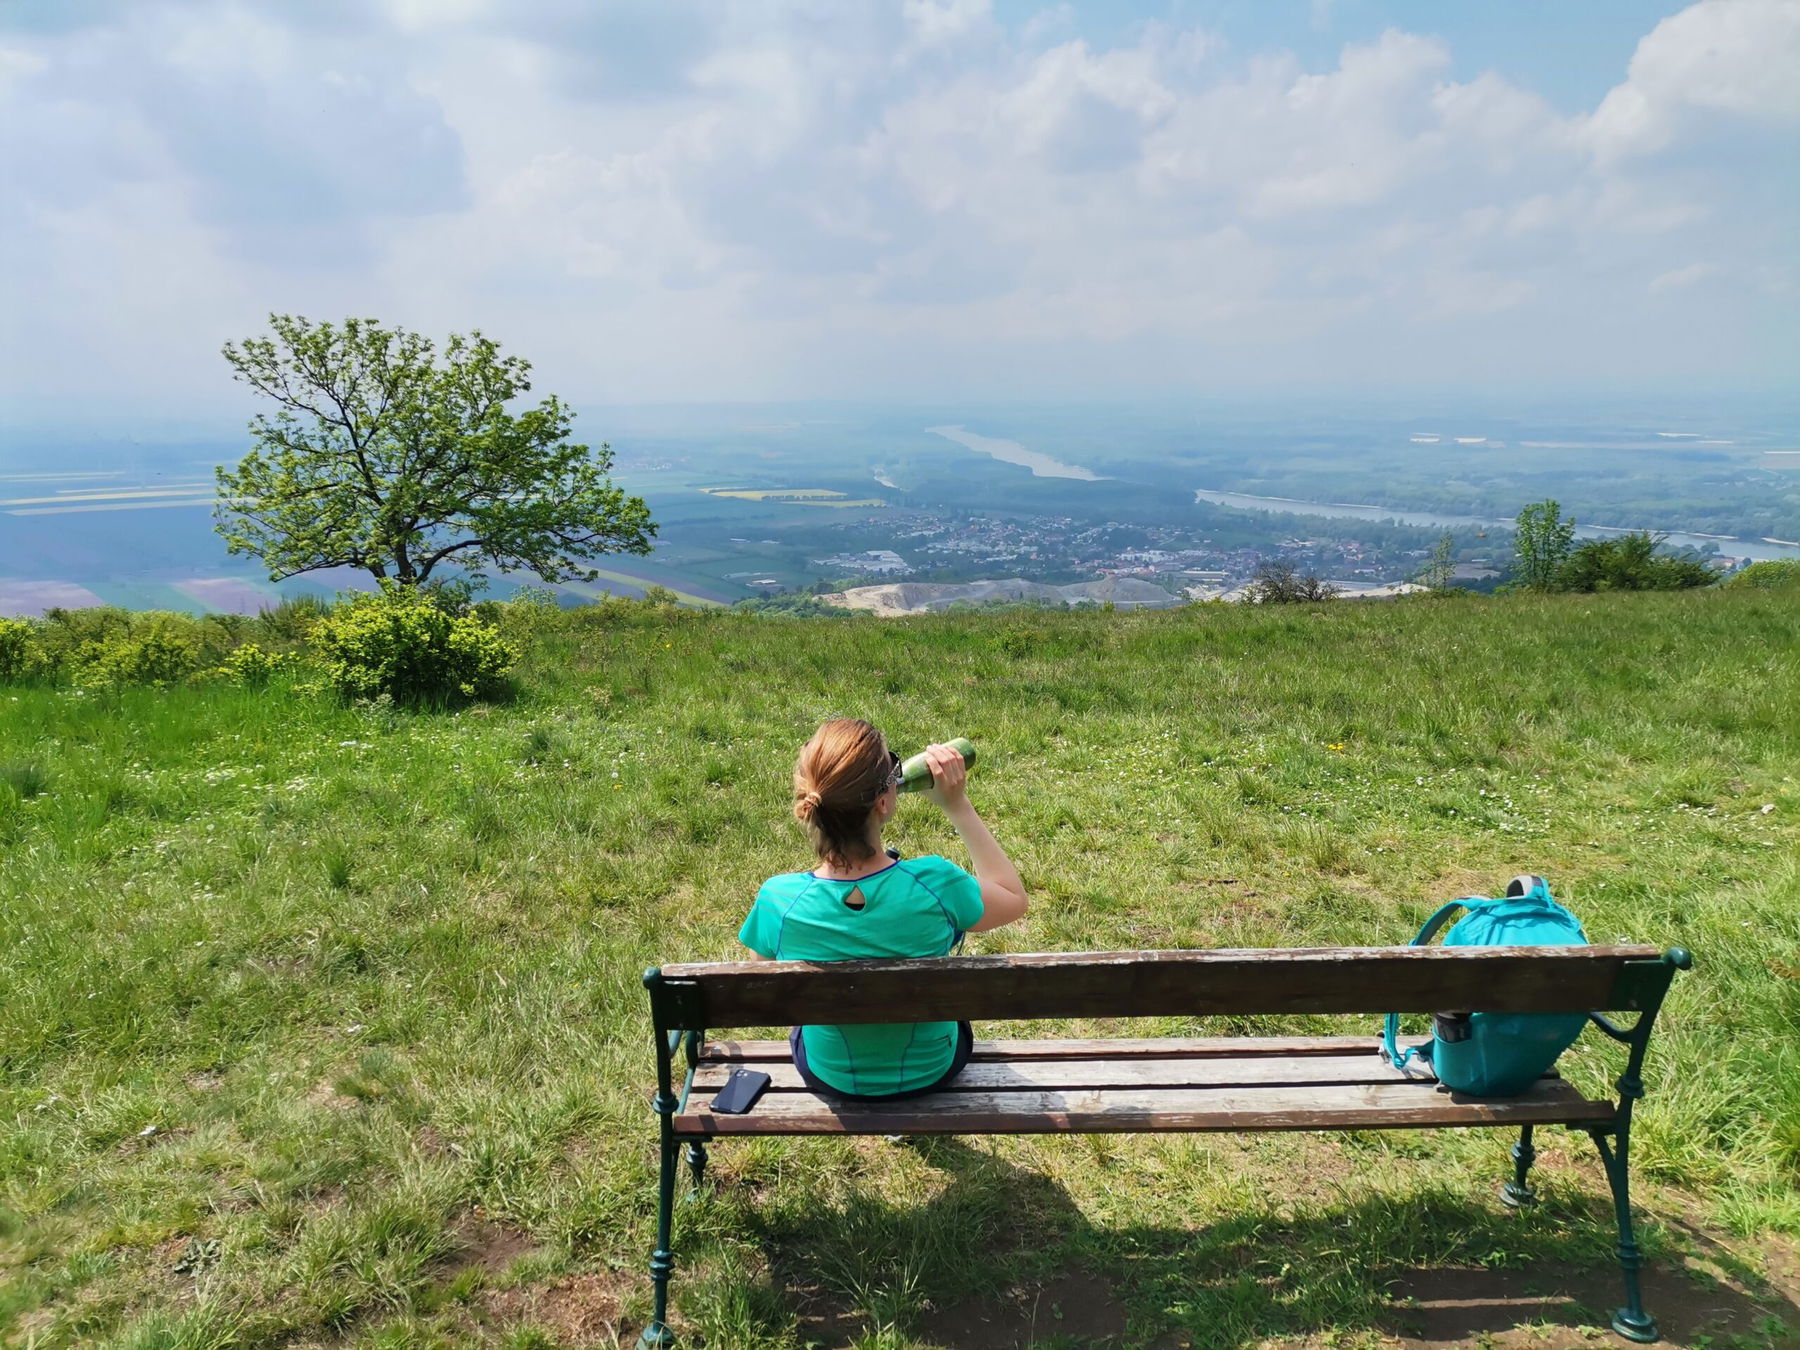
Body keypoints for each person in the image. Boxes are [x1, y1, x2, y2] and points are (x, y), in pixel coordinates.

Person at [739, 719, 1029, 1099]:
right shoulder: (936, 883)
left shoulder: (779, 900)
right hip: (932, 1069)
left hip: (832, 1074)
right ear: (884, 801)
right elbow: (1013, 898)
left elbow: (759, 974)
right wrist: (957, 805)